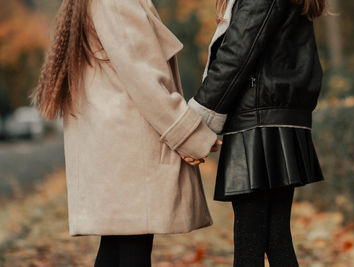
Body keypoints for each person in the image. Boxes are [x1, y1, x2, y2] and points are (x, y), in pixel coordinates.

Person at [31, 0, 221, 266]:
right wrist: (189, 135)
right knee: (131, 250)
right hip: (131, 149)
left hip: (116, 148)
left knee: (117, 248)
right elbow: (147, 81)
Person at [188, 0, 326, 266]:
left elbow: (236, 54)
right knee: (276, 237)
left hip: (258, 122)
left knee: (250, 244)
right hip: (274, 119)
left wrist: (196, 121)